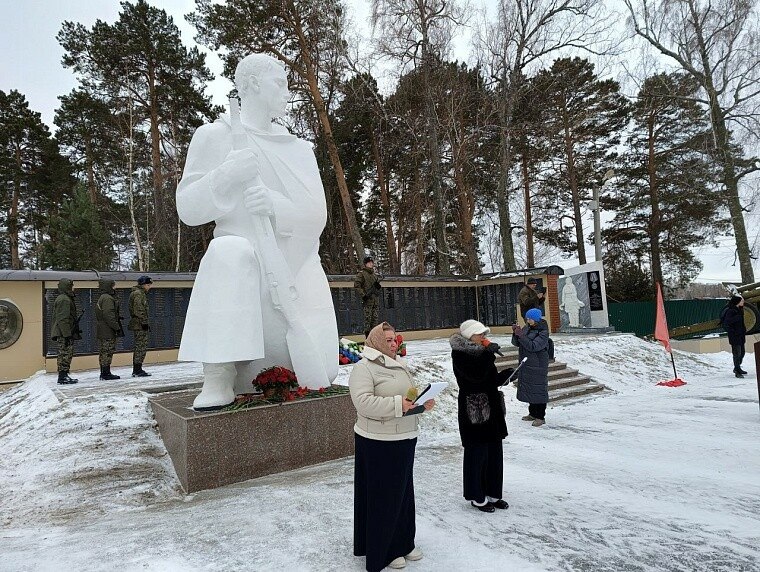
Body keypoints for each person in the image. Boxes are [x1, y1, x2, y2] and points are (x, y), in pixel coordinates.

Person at [176, 52, 338, 410]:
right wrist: (226, 175)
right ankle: (219, 374)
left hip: (293, 266)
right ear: (249, 85)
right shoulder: (214, 137)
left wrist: (275, 205)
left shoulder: (299, 150)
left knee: (323, 371)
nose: (287, 90)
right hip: (243, 268)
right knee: (228, 252)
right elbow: (188, 208)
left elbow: (317, 214)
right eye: (279, 82)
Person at [349, 322, 434, 571]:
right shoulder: (364, 368)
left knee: (403, 495)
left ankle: (404, 542)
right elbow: (363, 402)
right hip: (378, 441)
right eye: (387, 339)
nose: (393, 343)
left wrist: (420, 405)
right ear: (375, 340)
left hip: (405, 437)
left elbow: (406, 400)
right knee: (383, 497)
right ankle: (385, 550)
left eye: (394, 339)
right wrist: (400, 404)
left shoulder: (399, 364)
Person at [450, 319, 514, 513]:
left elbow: (490, 380)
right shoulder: (460, 353)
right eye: (481, 335)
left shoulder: (483, 353)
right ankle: (477, 496)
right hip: (475, 410)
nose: (485, 338)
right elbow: (474, 379)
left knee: (494, 452)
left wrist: (508, 375)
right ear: (470, 336)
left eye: (485, 335)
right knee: (477, 454)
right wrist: (488, 354)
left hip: (492, 409)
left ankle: (494, 493)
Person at [511, 308, 550, 426]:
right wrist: (515, 333)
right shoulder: (527, 328)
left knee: (538, 390)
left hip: (538, 365)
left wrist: (521, 335)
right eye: (527, 318)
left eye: (530, 319)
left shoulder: (543, 332)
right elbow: (517, 343)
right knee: (530, 389)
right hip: (527, 364)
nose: (528, 321)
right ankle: (532, 413)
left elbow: (533, 346)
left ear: (537, 319)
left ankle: (540, 416)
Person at [51, 278, 80, 385]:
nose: (73, 288)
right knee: (65, 353)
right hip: (64, 333)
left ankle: (64, 375)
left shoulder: (64, 298)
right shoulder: (64, 300)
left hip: (63, 331)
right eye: (71, 286)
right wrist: (67, 335)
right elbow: (63, 319)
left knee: (65, 353)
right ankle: (63, 376)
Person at [95, 278, 124, 381]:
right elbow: (109, 315)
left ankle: (104, 372)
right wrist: (117, 327)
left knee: (104, 351)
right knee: (107, 351)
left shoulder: (103, 297)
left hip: (103, 329)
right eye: (113, 285)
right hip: (108, 330)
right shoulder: (107, 298)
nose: (115, 287)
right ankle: (106, 373)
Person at [129, 275, 153, 378]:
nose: (149, 287)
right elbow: (139, 310)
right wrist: (144, 322)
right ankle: (137, 370)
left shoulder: (139, 293)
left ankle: (138, 369)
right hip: (139, 324)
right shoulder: (138, 294)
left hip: (139, 323)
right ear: (143, 285)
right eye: (148, 285)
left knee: (141, 346)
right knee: (140, 346)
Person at [355, 256, 382, 338]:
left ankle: (374, 338)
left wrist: (378, 287)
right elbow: (357, 286)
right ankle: (368, 338)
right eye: (369, 263)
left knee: (375, 319)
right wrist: (363, 295)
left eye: (372, 263)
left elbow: (377, 289)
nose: (371, 264)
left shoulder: (374, 275)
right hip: (368, 301)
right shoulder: (361, 274)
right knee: (368, 320)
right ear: (365, 264)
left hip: (375, 301)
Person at [720, 295, 747, 378]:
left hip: (741, 335)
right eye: (742, 301)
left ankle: (737, 367)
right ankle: (737, 371)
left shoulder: (739, 310)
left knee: (742, 353)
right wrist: (734, 331)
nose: (743, 302)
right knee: (737, 354)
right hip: (734, 336)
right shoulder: (731, 311)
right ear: (737, 302)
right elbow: (727, 323)